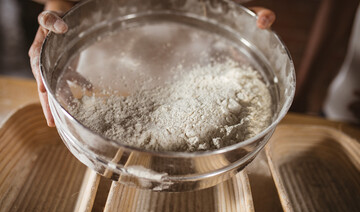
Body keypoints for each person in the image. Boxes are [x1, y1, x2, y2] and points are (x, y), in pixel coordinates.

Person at [29, 1, 276, 127]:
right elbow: (59, 2)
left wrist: (236, 21)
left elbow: (231, 8)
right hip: (101, 68)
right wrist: (57, 15)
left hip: (202, 68)